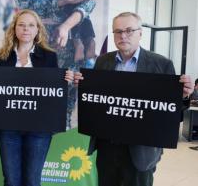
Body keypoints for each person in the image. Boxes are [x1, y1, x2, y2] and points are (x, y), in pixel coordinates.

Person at [78, 12, 193, 186]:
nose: (123, 35)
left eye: (129, 30)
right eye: (118, 31)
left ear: (140, 33)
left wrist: (183, 96)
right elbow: (96, 100)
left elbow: (170, 112)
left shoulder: (161, 64)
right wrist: (83, 86)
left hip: (141, 149)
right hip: (107, 146)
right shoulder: (103, 61)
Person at [10, 0, 98, 127]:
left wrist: (66, 25)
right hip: (34, 44)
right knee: (34, 98)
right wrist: (68, 0)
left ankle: (59, 151)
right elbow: (26, 5)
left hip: (68, 43)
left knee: (66, 100)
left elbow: (88, 0)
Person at [0, 9, 74, 186]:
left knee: (32, 181)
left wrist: (66, 80)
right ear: (14, 29)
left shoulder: (49, 57)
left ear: (37, 30)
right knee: (11, 181)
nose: (26, 29)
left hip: (39, 129)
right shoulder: (2, 56)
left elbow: (54, 93)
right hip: (8, 128)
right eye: (21, 25)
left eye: (30, 25)